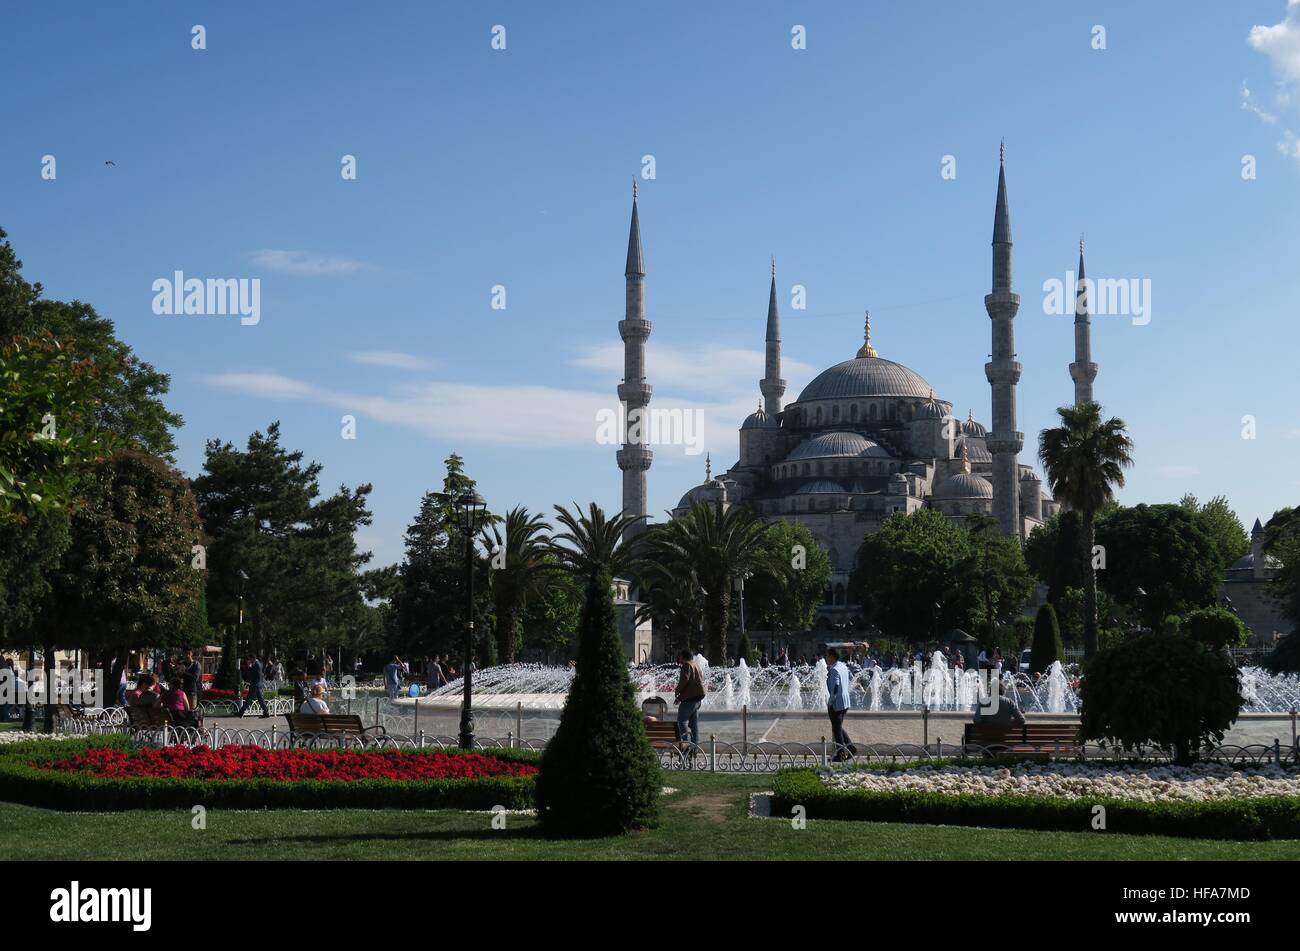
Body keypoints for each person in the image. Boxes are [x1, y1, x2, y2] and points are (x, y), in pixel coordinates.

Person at [825, 648, 855, 761]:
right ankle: (851, 748)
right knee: (838, 727)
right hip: (845, 702)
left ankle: (840, 754)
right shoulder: (842, 666)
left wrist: (830, 702)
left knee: (836, 729)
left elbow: (835, 688)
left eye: (828, 656)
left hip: (837, 703)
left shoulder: (835, 670)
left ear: (832, 656)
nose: (826, 658)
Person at [673, 649, 706, 746]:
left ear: (683, 656)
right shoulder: (696, 664)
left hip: (689, 699)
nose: (679, 658)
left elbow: (685, 680)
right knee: (693, 725)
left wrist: (677, 692)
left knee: (681, 721)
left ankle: (685, 745)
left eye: (680, 656)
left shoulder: (687, 665)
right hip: (697, 698)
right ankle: (694, 747)